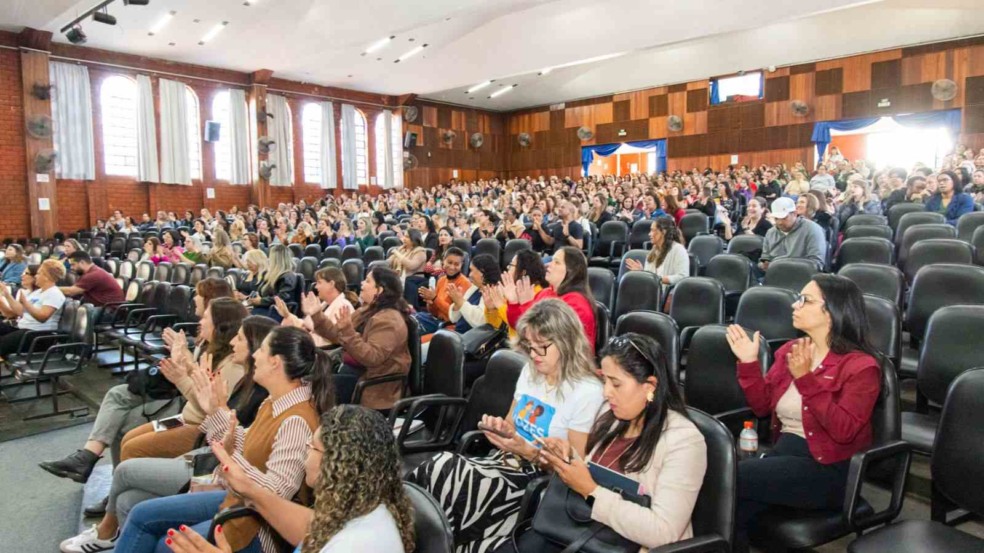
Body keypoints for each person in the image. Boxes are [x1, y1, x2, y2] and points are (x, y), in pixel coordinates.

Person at [58, 316, 276, 553]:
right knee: (128, 455)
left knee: (129, 458)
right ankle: (113, 503)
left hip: (204, 442)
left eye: (205, 317)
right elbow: (207, 411)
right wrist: (188, 370)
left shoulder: (240, 372)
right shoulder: (234, 368)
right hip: (198, 431)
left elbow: (216, 423)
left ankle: (107, 528)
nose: (200, 321)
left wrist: (188, 379)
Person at [111, 326, 333, 553]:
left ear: (275, 361)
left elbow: (275, 495)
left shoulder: (295, 420)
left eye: (262, 350)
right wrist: (215, 410)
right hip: (240, 499)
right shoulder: (274, 401)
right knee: (132, 503)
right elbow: (246, 444)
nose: (255, 354)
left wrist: (232, 457)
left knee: (162, 543)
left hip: (259, 526)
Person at [407, 299, 605, 553]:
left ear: (566, 343)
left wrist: (528, 451)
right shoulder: (531, 372)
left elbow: (572, 467)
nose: (534, 355)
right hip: (505, 461)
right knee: (439, 467)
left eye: (542, 347)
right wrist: (501, 430)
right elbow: (512, 424)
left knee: (454, 480)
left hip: (538, 479)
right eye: (529, 347)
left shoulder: (586, 392)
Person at [509, 333, 708, 552]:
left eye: (616, 384)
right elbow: (596, 473)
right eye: (605, 381)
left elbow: (664, 533)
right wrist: (568, 459)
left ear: (650, 386)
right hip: (583, 532)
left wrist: (590, 491)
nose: (606, 392)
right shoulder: (610, 416)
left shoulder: (684, 441)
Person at [727, 275, 881, 553]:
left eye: (806, 300)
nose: (795, 305)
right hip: (785, 454)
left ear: (833, 311)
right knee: (731, 510)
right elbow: (763, 408)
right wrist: (749, 364)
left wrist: (806, 379)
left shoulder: (861, 367)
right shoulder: (790, 351)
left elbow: (844, 430)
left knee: (727, 478)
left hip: (829, 468)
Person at [38, 278, 233, 484]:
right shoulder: (204, 339)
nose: (194, 298)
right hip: (182, 402)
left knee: (122, 423)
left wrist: (183, 362)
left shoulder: (225, 355)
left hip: (187, 412)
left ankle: (110, 476)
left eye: (199, 295)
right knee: (117, 396)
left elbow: (202, 397)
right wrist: (181, 359)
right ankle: (94, 462)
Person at [115, 298, 248, 463]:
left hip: (199, 428)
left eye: (206, 318)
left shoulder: (233, 365)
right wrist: (184, 358)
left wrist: (180, 379)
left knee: (132, 448)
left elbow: (209, 407)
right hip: (182, 419)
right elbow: (198, 382)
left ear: (220, 325)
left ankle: (129, 482)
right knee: (128, 437)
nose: (201, 321)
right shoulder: (212, 351)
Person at [303, 266, 411, 410]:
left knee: (316, 390)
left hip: (376, 384)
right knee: (308, 383)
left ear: (379, 290)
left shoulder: (389, 319)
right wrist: (317, 314)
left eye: (367, 281)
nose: (361, 283)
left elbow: (373, 357)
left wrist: (348, 331)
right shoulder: (367, 310)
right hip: (357, 372)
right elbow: (338, 335)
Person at [504, 246, 597, 353]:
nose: (548, 265)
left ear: (571, 271)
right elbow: (518, 327)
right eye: (552, 261)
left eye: (556, 262)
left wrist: (526, 305)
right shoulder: (546, 292)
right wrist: (513, 303)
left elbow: (545, 339)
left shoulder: (576, 304)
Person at [274, 267, 355, 348]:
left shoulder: (343, 306)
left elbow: (331, 338)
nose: (316, 287)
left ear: (331, 284)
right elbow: (308, 326)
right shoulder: (325, 304)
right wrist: (287, 315)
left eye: (319, 282)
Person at [0, 259, 66, 358]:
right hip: (24, 331)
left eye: (39, 273)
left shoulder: (54, 293)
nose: (35, 276)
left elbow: (43, 317)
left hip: (38, 336)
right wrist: (6, 294)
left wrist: (26, 303)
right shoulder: (37, 292)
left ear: (47, 277)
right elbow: (20, 312)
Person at [485, 250, 547, 338]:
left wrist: (500, 305)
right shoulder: (513, 289)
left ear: (523, 272)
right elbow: (496, 326)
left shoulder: (538, 294)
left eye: (511, 266)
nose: (507, 268)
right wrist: (491, 310)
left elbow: (521, 326)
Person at [759, 197, 826, 274]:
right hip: (774, 275)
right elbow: (765, 258)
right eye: (776, 219)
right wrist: (764, 264)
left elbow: (816, 263)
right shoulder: (771, 232)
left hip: (802, 276)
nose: (780, 222)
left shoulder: (812, 229)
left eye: (784, 218)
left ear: (794, 214)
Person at [415, 247, 470, 334]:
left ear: (461, 265)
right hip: (434, 320)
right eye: (449, 262)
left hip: (448, 326)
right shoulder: (441, 280)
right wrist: (430, 303)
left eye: (456, 264)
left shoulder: (465, 283)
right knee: (411, 319)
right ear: (443, 261)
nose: (452, 267)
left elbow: (454, 315)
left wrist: (435, 298)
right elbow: (434, 313)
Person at [624, 217, 689, 286]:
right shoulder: (653, 252)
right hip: (652, 292)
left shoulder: (679, 249)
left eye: (652, 230)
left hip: (669, 295)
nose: (649, 234)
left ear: (663, 232)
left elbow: (682, 277)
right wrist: (642, 272)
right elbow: (650, 279)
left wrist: (657, 279)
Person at [448, 253, 502, 334]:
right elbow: (453, 318)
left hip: (471, 341)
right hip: (457, 334)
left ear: (482, 272)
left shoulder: (494, 292)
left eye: (472, 270)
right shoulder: (474, 287)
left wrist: (460, 302)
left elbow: (480, 322)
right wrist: (456, 302)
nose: (469, 275)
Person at [247, 245, 298, 322]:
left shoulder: (287, 276)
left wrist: (261, 301)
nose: (268, 260)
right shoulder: (271, 275)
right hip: (265, 308)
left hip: (275, 312)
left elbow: (283, 297)